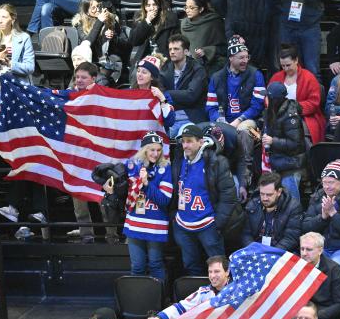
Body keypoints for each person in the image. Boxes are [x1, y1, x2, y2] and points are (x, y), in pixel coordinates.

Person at [171, 123, 242, 277]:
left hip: (208, 225)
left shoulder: (216, 161)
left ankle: (221, 298)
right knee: (190, 267)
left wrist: (217, 224)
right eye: (183, 141)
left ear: (201, 142)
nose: (185, 145)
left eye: (189, 141)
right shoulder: (178, 160)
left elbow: (229, 197)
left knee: (218, 269)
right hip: (183, 224)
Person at [61, 62, 118, 244]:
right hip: (77, 155)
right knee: (78, 198)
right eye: (77, 77)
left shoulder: (103, 97)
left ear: (94, 78)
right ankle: (86, 236)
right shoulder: (71, 96)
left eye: (83, 77)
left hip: (100, 156)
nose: (79, 80)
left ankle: (112, 237)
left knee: (105, 199)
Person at [102, 131, 171, 281]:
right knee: (137, 266)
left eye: (159, 150)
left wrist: (146, 184)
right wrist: (108, 186)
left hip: (155, 225)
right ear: (144, 149)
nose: (155, 154)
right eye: (151, 149)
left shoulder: (166, 168)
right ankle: (139, 302)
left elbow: (164, 200)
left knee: (155, 264)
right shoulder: (131, 165)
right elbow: (119, 189)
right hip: (134, 224)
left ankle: (160, 301)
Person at [206, 36, 266, 172]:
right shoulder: (216, 77)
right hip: (223, 121)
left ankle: (246, 172)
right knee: (212, 133)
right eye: (241, 58)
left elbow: (257, 105)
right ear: (231, 58)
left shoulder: (256, 74)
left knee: (243, 132)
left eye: (246, 57)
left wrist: (238, 121)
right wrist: (221, 122)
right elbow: (211, 107)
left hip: (248, 120)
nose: (245, 61)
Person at [302, 159, 340, 275]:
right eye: (325, 182)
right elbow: (305, 228)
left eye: (331, 182)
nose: (327, 187)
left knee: (336, 267)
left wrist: (334, 214)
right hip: (320, 248)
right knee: (301, 265)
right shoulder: (317, 197)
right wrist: (322, 218)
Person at [269, 44, 326, 144]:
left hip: (304, 117)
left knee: (299, 133)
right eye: (283, 66)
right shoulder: (276, 77)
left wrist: (292, 109)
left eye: (288, 65)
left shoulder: (309, 77)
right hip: (279, 116)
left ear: (296, 61)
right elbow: (268, 97)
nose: (285, 69)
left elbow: (313, 103)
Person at [262, 82, 307, 201]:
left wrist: (273, 141)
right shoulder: (270, 111)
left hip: (291, 163)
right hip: (277, 160)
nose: (264, 99)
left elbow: (296, 144)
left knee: (290, 200)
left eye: (267, 96)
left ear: (274, 99)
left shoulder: (291, 116)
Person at [298, 232, 340, 319]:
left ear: (320, 250)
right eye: (302, 249)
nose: (304, 253)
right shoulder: (296, 267)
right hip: (301, 314)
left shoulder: (334, 270)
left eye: (309, 249)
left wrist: (315, 316)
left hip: (325, 317)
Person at [160, 34, 209, 137]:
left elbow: (191, 96)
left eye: (176, 49)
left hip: (191, 118)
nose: (172, 52)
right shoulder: (165, 69)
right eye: (170, 49)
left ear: (186, 51)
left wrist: (166, 94)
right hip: (169, 118)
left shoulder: (198, 69)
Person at [241, 172, 302, 252]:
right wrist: (253, 250)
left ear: (279, 192)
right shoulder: (252, 204)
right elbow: (246, 234)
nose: (265, 198)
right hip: (255, 250)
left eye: (269, 195)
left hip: (279, 252)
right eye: (262, 194)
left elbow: (291, 238)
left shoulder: (293, 207)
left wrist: (271, 253)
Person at [0, 4, 34, 87]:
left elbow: (30, 67)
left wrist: (10, 64)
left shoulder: (24, 38)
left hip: (17, 86)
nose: (0, 21)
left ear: (13, 19)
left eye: (4, 17)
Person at [277, 0, 324, 80]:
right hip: (287, 24)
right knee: (288, 67)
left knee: (312, 69)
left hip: (310, 25)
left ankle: (314, 93)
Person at [128, 0, 179, 70]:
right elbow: (134, 41)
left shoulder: (170, 18)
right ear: (144, 7)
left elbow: (176, 41)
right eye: (148, 5)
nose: (151, 8)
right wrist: (147, 21)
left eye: (154, 5)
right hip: (145, 57)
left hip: (164, 59)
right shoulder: (139, 17)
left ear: (159, 5)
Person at [71, 0, 127, 65]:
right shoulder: (80, 23)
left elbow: (123, 41)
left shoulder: (110, 18)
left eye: (98, 6)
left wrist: (112, 36)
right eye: (93, 8)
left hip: (110, 59)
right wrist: (99, 21)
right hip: (91, 60)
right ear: (87, 11)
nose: (97, 10)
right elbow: (87, 42)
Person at [180, 0, 227, 75]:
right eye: (186, 7)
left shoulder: (213, 22)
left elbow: (224, 48)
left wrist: (207, 51)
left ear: (201, 9)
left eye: (191, 8)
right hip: (190, 63)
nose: (187, 10)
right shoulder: (184, 24)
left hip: (212, 63)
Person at [27, 0, 108, 35]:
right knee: (46, 8)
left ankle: (31, 30)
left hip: (86, 2)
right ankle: (48, 42)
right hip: (66, 3)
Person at [131, 54, 176, 132]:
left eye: (144, 72)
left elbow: (170, 122)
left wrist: (162, 99)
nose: (139, 75)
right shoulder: (130, 93)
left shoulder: (163, 95)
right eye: (138, 71)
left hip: (154, 137)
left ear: (152, 77)